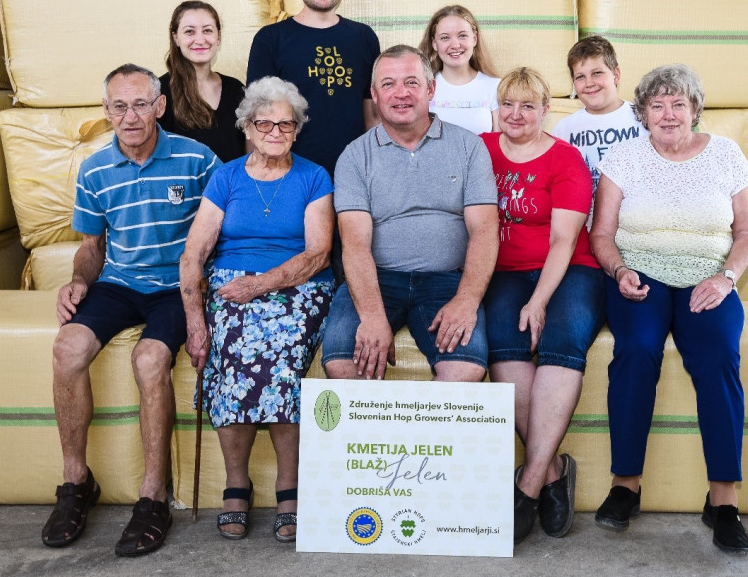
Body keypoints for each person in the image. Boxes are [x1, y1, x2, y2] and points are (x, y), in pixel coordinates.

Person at [41, 64, 220, 556]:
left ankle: (152, 495)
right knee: (68, 347)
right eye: (119, 106)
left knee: (149, 359)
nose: (131, 115)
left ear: (160, 106)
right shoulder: (95, 169)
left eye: (141, 103)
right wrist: (78, 281)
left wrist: (203, 294)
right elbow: (92, 247)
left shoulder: (197, 158)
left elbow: (217, 237)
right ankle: (77, 482)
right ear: (106, 112)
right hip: (120, 283)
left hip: (175, 287)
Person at [589, 64, 748, 555]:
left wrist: (725, 278)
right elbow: (601, 234)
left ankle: (723, 501)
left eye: (678, 104)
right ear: (642, 113)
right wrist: (619, 270)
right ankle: (625, 487)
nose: (667, 114)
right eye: (657, 105)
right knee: (638, 350)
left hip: (708, 275)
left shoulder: (725, 155)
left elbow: (747, 232)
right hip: (639, 274)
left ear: (695, 111)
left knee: (718, 357)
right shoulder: (624, 157)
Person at [180, 76, 334, 543]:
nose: (275, 131)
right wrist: (194, 320)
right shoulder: (225, 176)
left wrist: (261, 285)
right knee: (230, 358)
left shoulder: (314, 176)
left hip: (297, 286)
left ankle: (289, 483)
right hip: (230, 287)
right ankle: (236, 483)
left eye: (286, 125)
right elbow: (193, 255)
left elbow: (317, 253)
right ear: (247, 126)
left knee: (282, 358)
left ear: (297, 129)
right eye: (264, 122)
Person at [322, 45, 499, 382]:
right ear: (374, 95)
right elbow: (355, 244)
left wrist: (466, 299)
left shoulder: (468, 146)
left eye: (411, 83)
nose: (400, 94)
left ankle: (419, 434)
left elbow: (485, 231)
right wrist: (373, 316)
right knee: (343, 365)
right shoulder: (354, 156)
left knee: (465, 370)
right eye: (388, 84)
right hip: (378, 279)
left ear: (431, 89)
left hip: (448, 280)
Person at [480, 67, 605, 542]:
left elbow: (562, 240)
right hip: (505, 272)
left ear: (545, 110)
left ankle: (528, 485)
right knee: (504, 342)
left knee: (562, 338)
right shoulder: (483, 150)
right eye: (508, 104)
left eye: (528, 106)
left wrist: (538, 301)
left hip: (572, 269)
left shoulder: (566, 159)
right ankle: (554, 472)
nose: (516, 114)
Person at [246, 0, 380, 176]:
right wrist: (258, 176)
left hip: (355, 173)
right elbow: (256, 117)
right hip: (291, 174)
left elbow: (372, 115)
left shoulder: (364, 37)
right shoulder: (270, 39)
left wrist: (377, 169)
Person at [550, 36, 645, 226]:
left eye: (597, 73)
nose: (589, 83)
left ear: (616, 75)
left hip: (637, 223)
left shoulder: (643, 118)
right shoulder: (564, 130)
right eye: (580, 77)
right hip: (585, 226)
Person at [159, 0, 246, 163]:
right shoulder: (160, 92)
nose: (200, 40)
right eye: (189, 32)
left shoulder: (236, 89)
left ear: (218, 37)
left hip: (234, 187)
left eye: (207, 30)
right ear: (176, 38)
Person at [418, 4, 501, 135]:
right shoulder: (423, 88)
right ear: (434, 43)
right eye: (445, 37)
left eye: (462, 35)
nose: (455, 45)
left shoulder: (495, 86)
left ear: (474, 38)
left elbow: (499, 144)